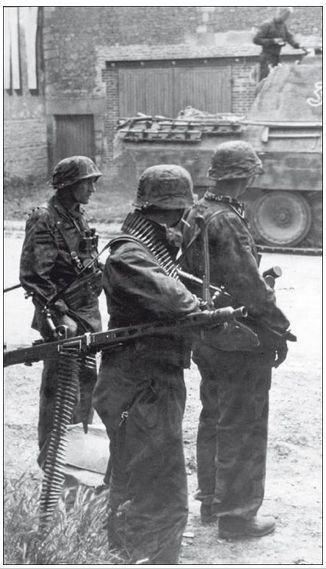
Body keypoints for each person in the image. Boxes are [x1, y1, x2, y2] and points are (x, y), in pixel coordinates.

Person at [181, 141, 295, 539]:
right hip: (238, 335)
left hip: (208, 333)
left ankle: (212, 501)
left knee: (214, 415)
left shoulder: (197, 211)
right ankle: (238, 515)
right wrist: (279, 324)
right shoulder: (227, 219)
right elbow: (248, 283)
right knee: (243, 423)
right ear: (245, 176)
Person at [92, 165, 205, 564]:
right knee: (156, 490)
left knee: (142, 479)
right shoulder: (130, 256)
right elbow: (178, 303)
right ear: (171, 212)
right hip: (140, 384)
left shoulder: (148, 250)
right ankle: (145, 558)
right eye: (181, 215)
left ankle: (132, 554)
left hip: (148, 379)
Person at [19, 155, 103, 467]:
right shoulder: (45, 219)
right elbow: (33, 276)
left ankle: (76, 461)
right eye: (87, 183)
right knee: (61, 394)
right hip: (62, 319)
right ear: (69, 186)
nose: (93, 189)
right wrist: (60, 314)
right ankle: (52, 463)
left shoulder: (76, 216)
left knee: (85, 388)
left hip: (87, 316)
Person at [253, 7, 302, 80]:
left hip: (276, 57)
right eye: (285, 16)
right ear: (279, 14)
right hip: (266, 57)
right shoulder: (267, 25)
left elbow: (288, 36)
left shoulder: (283, 25)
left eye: (287, 17)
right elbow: (256, 40)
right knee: (265, 80)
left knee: (276, 79)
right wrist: (273, 41)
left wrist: (296, 44)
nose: (286, 18)